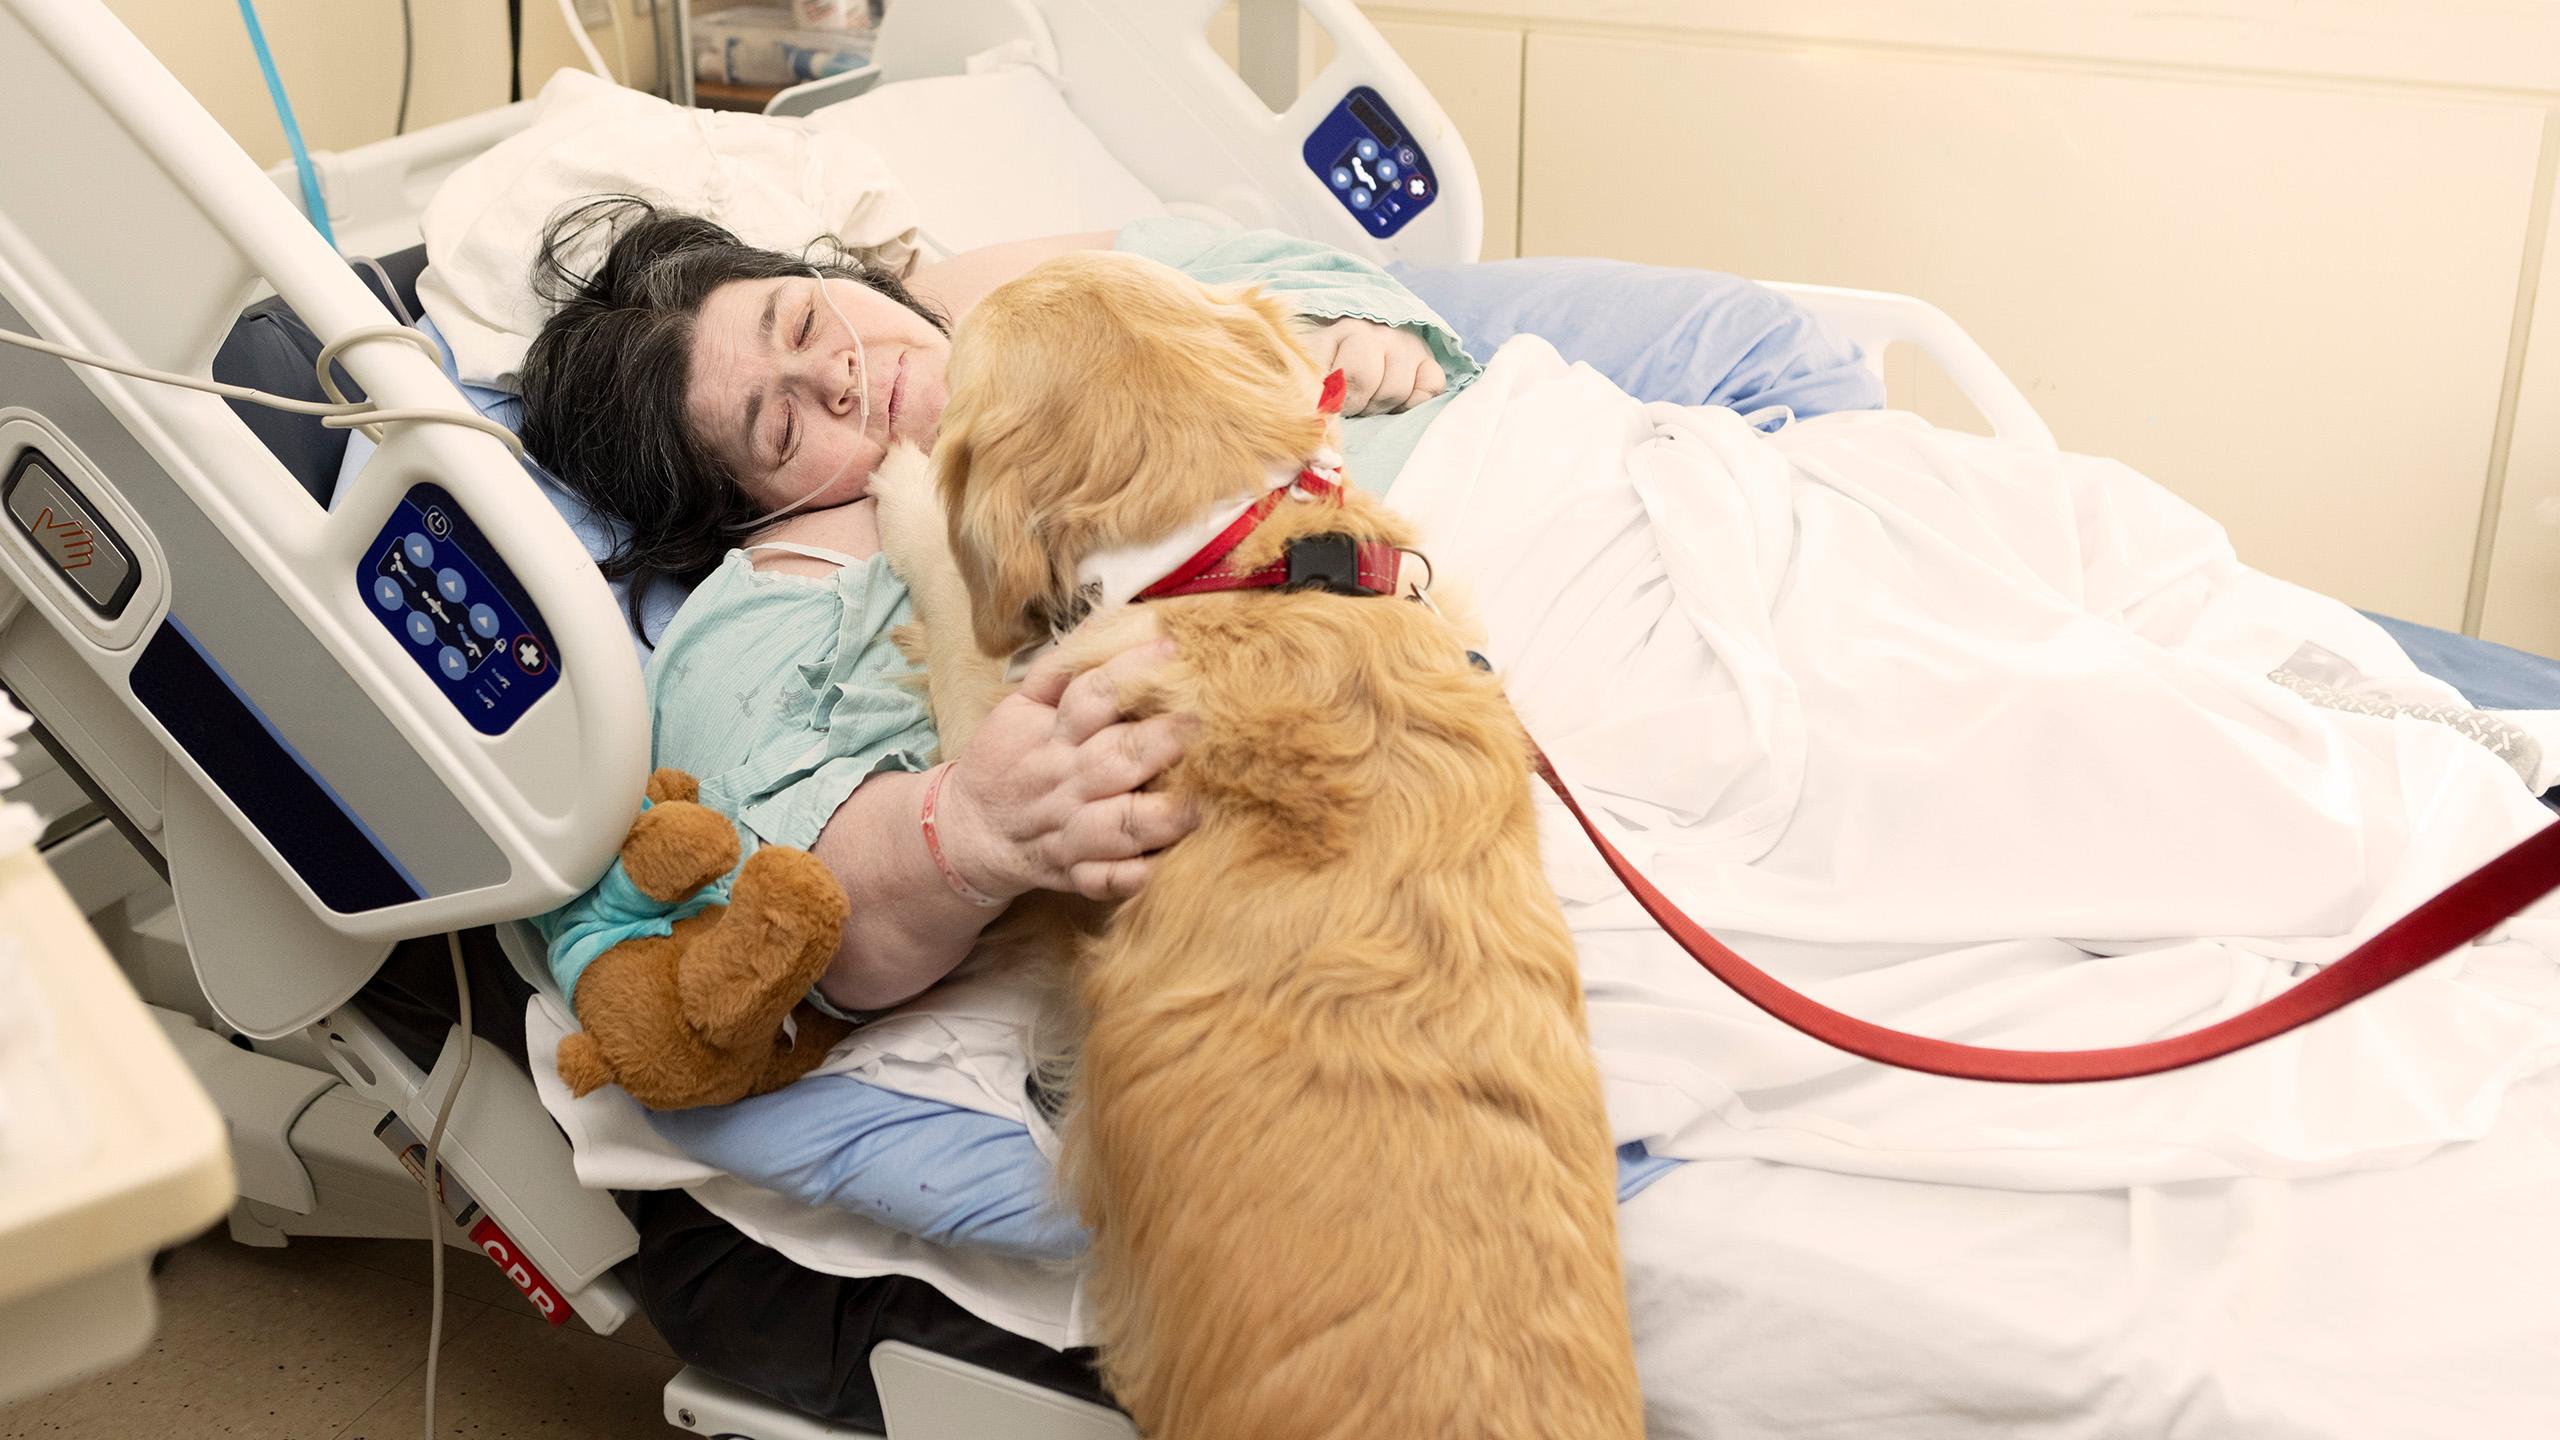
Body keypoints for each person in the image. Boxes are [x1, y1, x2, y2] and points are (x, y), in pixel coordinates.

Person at [517, 198, 1474, 1019]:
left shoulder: (1027, 303)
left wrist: (1363, 332)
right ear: (751, 510)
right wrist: (967, 831)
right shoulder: (791, 586)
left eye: (807, 322)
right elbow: (798, 878)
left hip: (1507, 518)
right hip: (1377, 823)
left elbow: (1245, 258)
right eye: (782, 426)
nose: (836, 377)